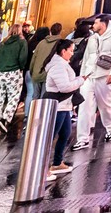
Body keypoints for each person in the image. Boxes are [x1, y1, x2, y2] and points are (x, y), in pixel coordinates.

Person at [75, 16, 111, 150]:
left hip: (104, 76)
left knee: (105, 106)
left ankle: (110, 128)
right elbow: (86, 57)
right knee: (84, 107)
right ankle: (82, 138)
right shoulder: (92, 38)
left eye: (96, 23)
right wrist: (82, 76)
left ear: (103, 23)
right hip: (89, 77)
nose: (93, 25)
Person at [45, 39, 85, 177]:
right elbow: (64, 87)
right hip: (58, 106)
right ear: (63, 51)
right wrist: (81, 80)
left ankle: (57, 162)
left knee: (65, 134)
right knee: (50, 137)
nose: (72, 53)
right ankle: (43, 169)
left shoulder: (62, 64)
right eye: (71, 50)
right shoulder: (58, 66)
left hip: (65, 106)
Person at [0, 23, 30, 134]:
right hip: (14, 72)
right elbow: (23, 58)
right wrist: (21, 68)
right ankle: (4, 118)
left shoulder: (2, 43)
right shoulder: (22, 42)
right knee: (14, 97)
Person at [27, 22, 63, 110]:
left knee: (35, 97)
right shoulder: (60, 44)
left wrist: (32, 71)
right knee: (44, 98)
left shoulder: (41, 43)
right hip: (48, 75)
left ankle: (30, 118)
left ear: (50, 31)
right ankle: (40, 120)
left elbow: (34, 59)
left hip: (36, 73)